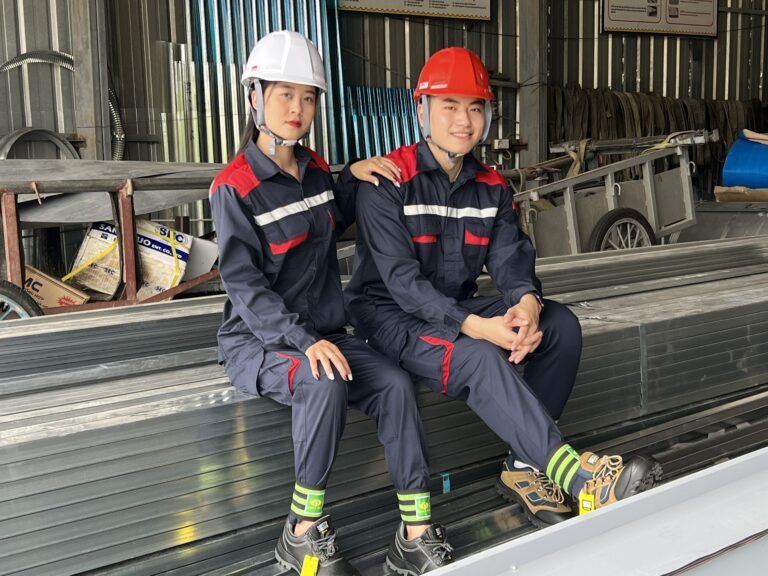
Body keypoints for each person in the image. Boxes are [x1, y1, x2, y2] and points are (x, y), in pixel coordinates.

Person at [344, 46, 662, 534]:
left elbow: (511, 259)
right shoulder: (389, 181)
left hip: (455, 307)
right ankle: (577, 477)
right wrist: (479, 327)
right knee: (477, 355)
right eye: (449, 106)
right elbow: (402, 284)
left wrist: (526, 306)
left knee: (560, 325)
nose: (464, 121)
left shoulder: (491, 186)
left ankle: (524, 465)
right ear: (421, 109)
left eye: (475, 108)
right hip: (389, 317)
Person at [209, 31, 454, 576]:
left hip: (324, 333)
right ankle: (301, 533)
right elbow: (245, 287)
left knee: (394, 384)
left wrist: (353, 175)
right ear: (254, 97)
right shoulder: (234, 187)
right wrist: (304, 342)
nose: (297, 108)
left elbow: (329, 219)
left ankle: (415, 533)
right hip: (260, 342)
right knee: (323, 380)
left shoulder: (316, 170)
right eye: (284, 94)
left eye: (308, 96)